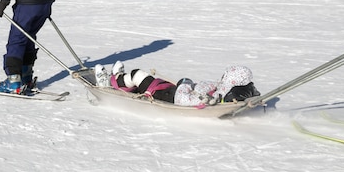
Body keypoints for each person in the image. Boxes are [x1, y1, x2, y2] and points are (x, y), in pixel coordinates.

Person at [94, 62, 260, 107]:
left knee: (138, 75)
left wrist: (185, 83)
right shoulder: (227, 91)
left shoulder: (213, 99)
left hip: (167, 96)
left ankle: (107, 82)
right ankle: (118, 77)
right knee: (139, 77)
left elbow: (182, 100)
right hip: (171, 91)